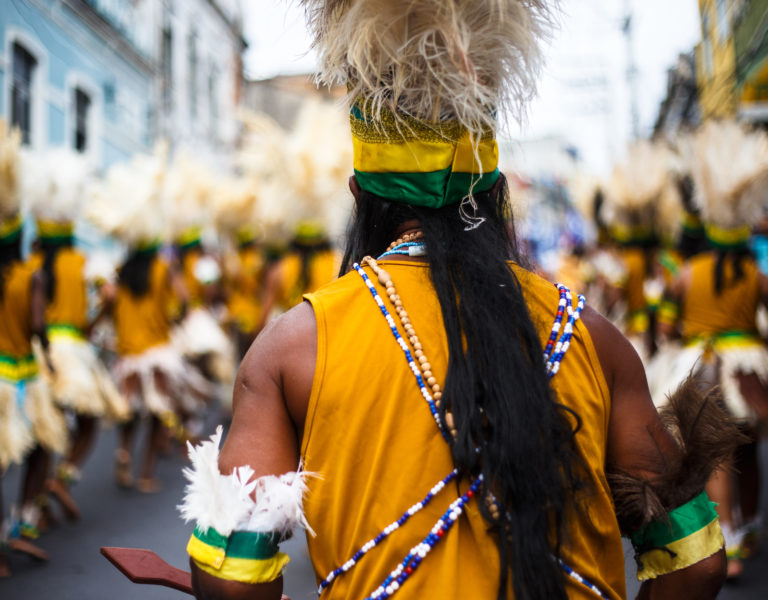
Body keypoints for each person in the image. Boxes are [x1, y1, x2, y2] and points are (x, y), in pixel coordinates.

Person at [180, 2, 733, 599]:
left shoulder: (291, 347)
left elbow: (232, 578)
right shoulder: (594, 338)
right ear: (496, 192)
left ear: (359, 195)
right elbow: (695, 560)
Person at [655, 120, 768, 578]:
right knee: (748, 456)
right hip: (748, 375)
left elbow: (664, 326)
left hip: (701, 370)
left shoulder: (684, 274)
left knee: (717, 458)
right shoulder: (756, 277)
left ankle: (729, 540)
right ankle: (749, 537)